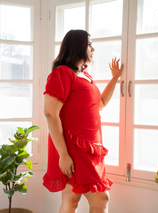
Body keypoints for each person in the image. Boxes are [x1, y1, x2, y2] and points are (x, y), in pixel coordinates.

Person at [43, 29, 123, 213]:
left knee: (71, 200)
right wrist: (63, 155)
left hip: (90, 147)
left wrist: (115, 78)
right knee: (101, 198)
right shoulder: (62, 73)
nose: (93, 49)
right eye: (89, 44)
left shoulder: (85, 76)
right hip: (74, 148)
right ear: (77, 46)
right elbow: (50, 113)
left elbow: (100, 104)